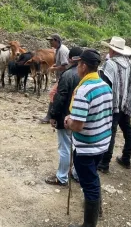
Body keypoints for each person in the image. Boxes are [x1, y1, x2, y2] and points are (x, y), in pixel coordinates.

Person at [65, 49, 113, 227]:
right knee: (93, 178)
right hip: (101, 143)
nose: (77, 67)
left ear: (84, 66)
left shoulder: (83, 91)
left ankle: (89, 224)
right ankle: (97, 212)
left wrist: (67, 120)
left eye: (78, 64)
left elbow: (78, 125)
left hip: (86, 146)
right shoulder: (104, 86)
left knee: (89, 184)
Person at [97, 36, 131, 173]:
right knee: (127, 129)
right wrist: (129, 96)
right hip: (126, 104)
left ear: (112, 50)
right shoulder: (130, 65)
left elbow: (104, 85)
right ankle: (126, 158)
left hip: (113, 104)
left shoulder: (109, 64)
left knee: (110, 131)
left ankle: (104, 163)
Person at [45, 47, 83, 186]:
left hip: (66, 117)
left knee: (65, 147)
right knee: (78, 146)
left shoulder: (67, 75)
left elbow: (60, 98)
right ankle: (77, 173)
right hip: (81, 117)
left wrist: (53, 115)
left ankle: (62, 177)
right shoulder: (88, 74)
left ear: (70, 59)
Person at [39, 33, 69, 123]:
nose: (50, 43)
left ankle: (49, 116)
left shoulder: (62, 50)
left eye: (51, 41)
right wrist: (54, 66)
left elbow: (65, 66)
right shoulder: (57, 50)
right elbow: (59, 63)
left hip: (64, 76)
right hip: (61, 76)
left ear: (56, 40)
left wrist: (54, 68)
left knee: (52, 93)